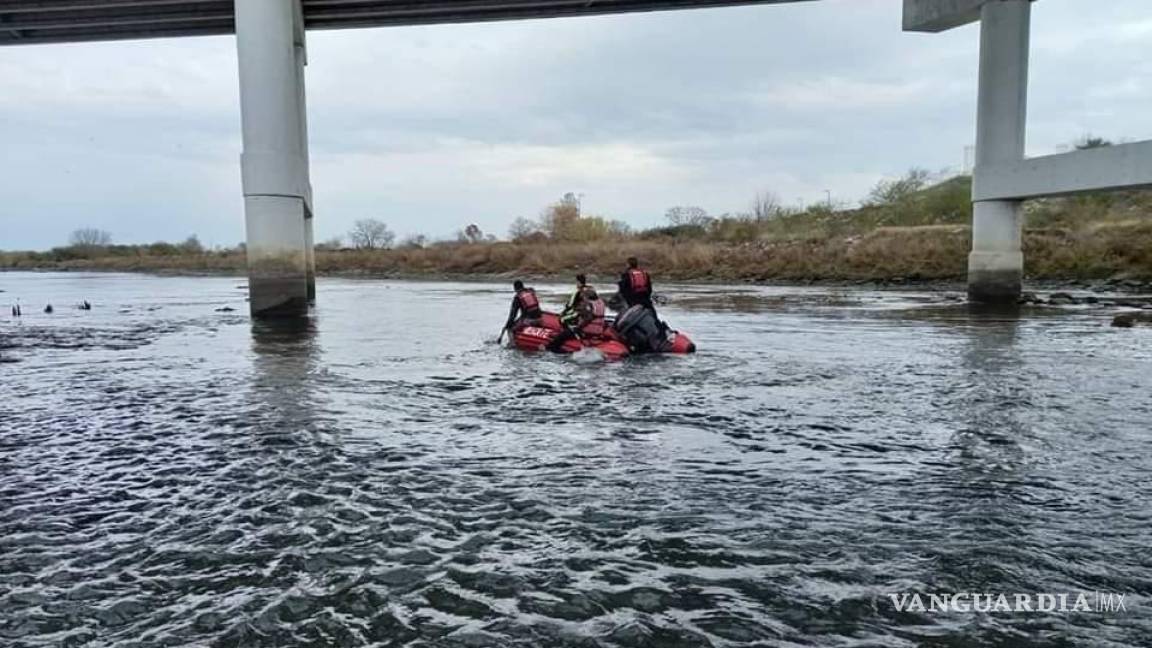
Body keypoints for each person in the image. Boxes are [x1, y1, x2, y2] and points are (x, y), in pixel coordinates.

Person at [548, 285, 607, 352]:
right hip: (598, 332)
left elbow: (586, 318)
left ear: (586, 296)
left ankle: (552, 349)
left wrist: (577, 327)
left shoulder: (587, 305)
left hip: (586, 332)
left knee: (563, 335)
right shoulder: (601, 303)